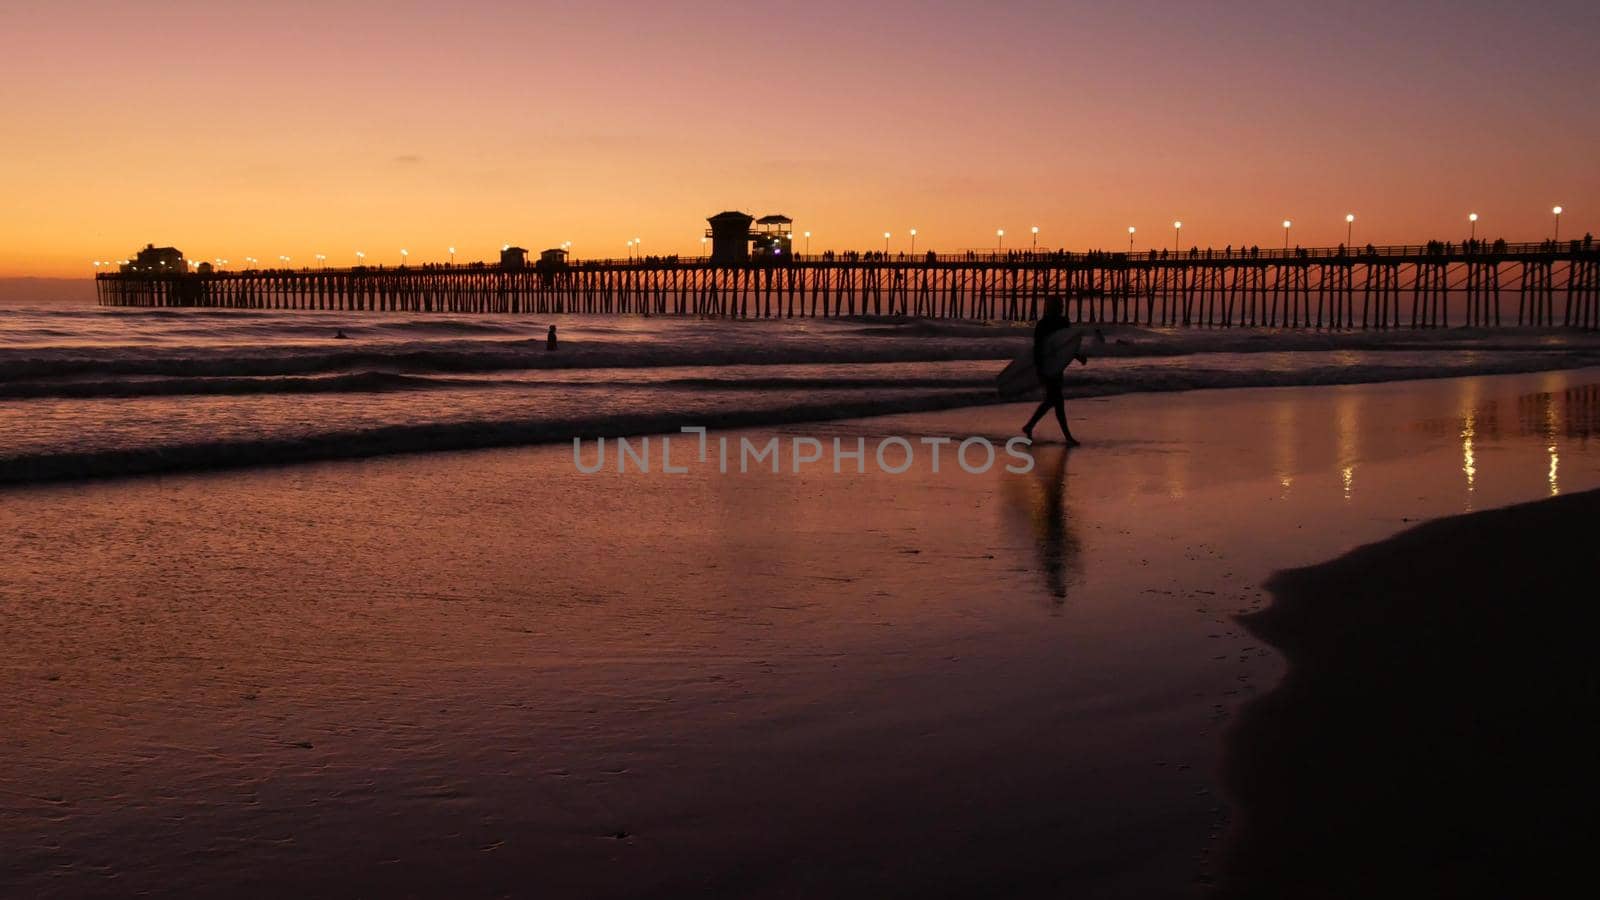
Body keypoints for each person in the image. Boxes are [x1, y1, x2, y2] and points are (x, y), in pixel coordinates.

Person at [1021, 296, 1085, 445]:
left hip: (1056, 366)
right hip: (1048, 365)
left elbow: (1065, 344)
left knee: (1052, 400)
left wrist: (1077, 355)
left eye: (1062, 304)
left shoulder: (1061, 322)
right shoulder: (1044, 324)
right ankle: (1067, 436)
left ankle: (1029, 426)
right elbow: (1038, 348)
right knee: (1057, 400)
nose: (1062, 306)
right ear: (1052, 306)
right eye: (1059, 304)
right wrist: (1040, 368)